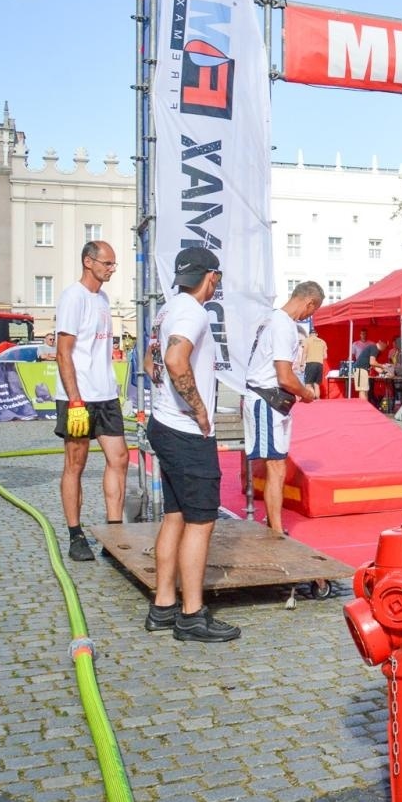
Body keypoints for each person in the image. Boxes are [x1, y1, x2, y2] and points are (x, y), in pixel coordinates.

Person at [142, 247, 239, 642]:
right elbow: (175, 359)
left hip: (164, 424)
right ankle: (191, 615)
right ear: (210, 277)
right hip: (185, 431)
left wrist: (166, 395)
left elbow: (150, 361)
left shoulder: (167, 309)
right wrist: (198, 409)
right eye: (218, 278)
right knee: (200, 521)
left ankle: (163, 606)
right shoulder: (193, 313)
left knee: (175, 516)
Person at [54, 240, 130, 562]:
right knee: (76, 464)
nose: (112, 269)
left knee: (120, 458)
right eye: (107, 263)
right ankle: (76, 535)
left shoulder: (103, 298)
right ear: (89, 261)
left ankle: (113, 534)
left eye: (113, 264)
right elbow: (63, 352)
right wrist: (74, 400)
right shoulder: (73, 297)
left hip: (105, 393)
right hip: (79, 396)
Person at [243, 281, 323, 538]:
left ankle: (274, 524)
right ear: (309, 302)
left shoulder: (275, 320)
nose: (309, 316)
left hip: (273, 401)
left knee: (278, 464)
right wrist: (306, 393)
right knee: (276, 466)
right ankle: (276, 530)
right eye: (312, 311)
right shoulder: (282, 325)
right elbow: (285, 376)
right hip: (267, 400)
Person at [301, 326, 327, 393]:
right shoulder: (323, 342)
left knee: (308, 384)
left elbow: (304, 353)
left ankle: (311, 398)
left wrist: (301, 364)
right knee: (316, 384)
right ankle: (317, 398)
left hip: (311, 364)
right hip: (319, 364)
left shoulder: (307, 340)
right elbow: (325, 356)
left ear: (310, 334)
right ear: (316, 334)